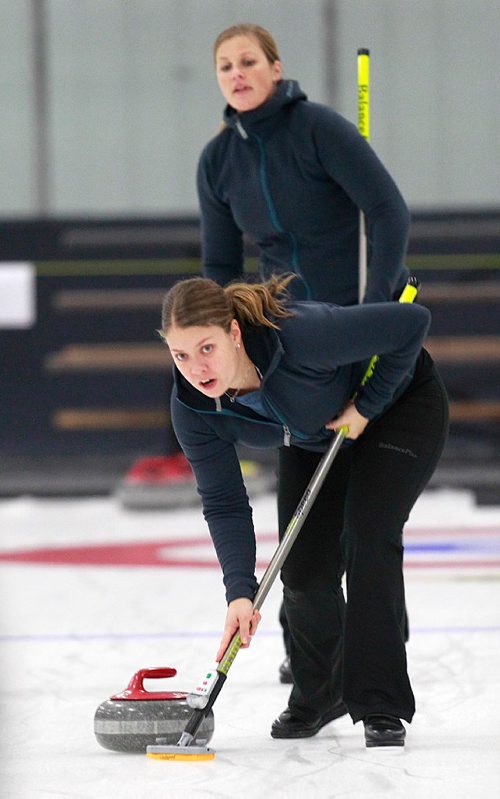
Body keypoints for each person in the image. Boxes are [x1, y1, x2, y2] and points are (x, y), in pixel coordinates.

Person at [197, 23, 413, 680]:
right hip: (288, 352)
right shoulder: (217, 161)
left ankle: (378, 641)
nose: (237, 73)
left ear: (275, 68)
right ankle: (310, 649)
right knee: (304, 514)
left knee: (367, 518)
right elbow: (220, 265)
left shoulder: (317, 128)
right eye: (225, 65)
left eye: (249, 61)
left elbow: (388, 211)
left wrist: (374, 312)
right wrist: (233, 346)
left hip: (348, 332)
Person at [159, 274, 449, 748]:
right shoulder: (193, 409)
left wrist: (368, 404)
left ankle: (380, 701)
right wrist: (239, 592)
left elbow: (412, 323)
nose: (197, 368)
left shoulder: (299, 335)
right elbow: (225, 502)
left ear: (234, 333)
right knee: (304, 570)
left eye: (206, 348)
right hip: (314, 437)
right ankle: (321, 692)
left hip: (396, 406)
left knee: (367, 533)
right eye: (181, 355)